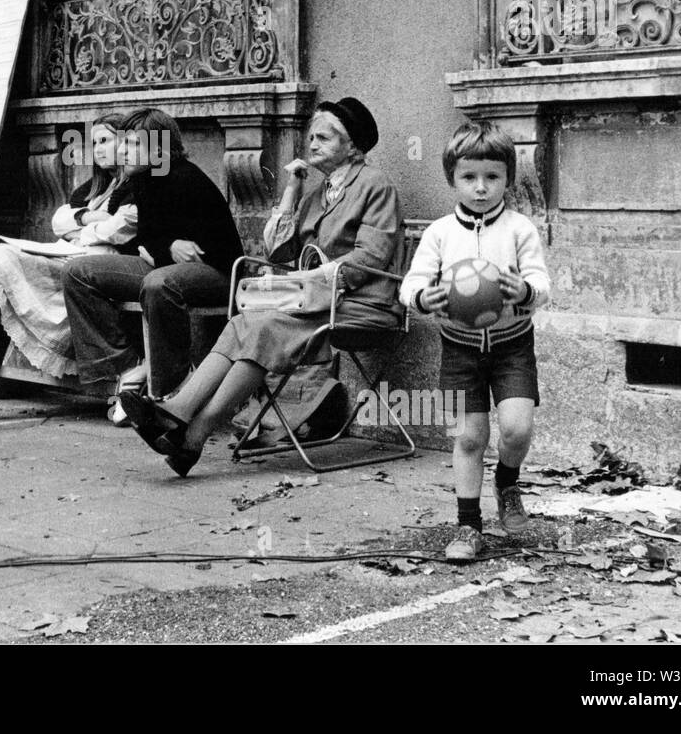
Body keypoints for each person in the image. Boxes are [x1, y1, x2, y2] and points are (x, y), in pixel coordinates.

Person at [119, 98, 401, 477]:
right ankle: (179, 415)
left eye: (324, 138)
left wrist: (310, 279)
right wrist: (291, 192)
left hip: (362, 304)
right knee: (242, 323)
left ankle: (191, 431)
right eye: (311, 137)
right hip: (314, 302)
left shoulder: (374, 184)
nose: (312, 144)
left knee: (263, 326)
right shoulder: (318, 193)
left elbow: (371, 258)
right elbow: (280, 251)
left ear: (352, 146)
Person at [399, 120, 550, 562]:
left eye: (492, 177)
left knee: (518, 430)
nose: (481, 188)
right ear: (453, 179)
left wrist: (525, 291)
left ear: (508, 177)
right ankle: (468, 526)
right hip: (460, 348)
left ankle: (507, 480)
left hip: (512, 345)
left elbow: (542, 282)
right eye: (469, 177)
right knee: (469, 438)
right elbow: (411, 285)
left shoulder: (519, 228)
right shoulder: (440, 233)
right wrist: (424, 297)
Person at [0, 114, 135, 425]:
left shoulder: (136, 187)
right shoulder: (94, 188)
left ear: (126, 142)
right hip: (69, 260)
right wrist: (90, 221)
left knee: (1, 267)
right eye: (94, 143)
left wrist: (81, 223)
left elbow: (119, 230)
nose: (98, 149)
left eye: (105, 141)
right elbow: (58, 221)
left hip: (95, 274)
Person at [64, 108, 243, 409]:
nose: (123, 152)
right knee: (77, 272)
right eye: (124, 143)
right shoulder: (145, 179)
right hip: (163, 268)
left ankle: (170, 390)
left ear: (159, 148)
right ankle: (124, 371)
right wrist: (169, 245)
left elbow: (219, 251)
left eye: (135, 145)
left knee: (160, 283)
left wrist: (168, 249)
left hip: (218, 273)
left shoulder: (185, 178)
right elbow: (148, 237)